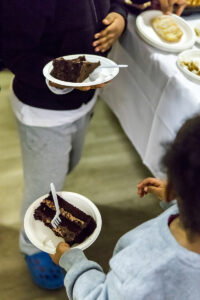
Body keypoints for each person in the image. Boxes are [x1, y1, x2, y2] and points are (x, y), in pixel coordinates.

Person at [1, 0, 127, 289]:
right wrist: (66, 76)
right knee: (43, 188)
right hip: (43, 111)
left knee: (67, 165)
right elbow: (15, 54)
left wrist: (118, 17)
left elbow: (117, 3)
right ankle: (32, 246)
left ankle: (50, 211)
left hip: (82, 101)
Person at [51, 115, 200, 299]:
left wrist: (73, 263)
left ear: (171, 188)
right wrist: (177, 201)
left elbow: (97, 296)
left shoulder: (142, 273)